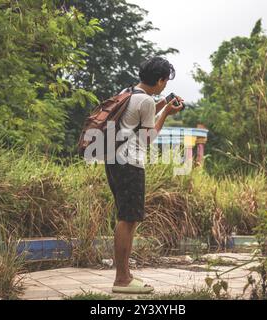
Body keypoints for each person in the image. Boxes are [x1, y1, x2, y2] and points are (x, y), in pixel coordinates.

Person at [105, 57, 184, 294]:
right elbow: (148, 138)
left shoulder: (128, 92)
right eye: (165, 82)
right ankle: (121, 279)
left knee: (128, 217)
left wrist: (161, 105)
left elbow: (135, 119)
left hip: (114, 160)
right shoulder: (146, 102)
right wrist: (166, 113)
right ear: (160, 80)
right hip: (130, 163)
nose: (165, 86)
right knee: (127, 218)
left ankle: (126, 275)